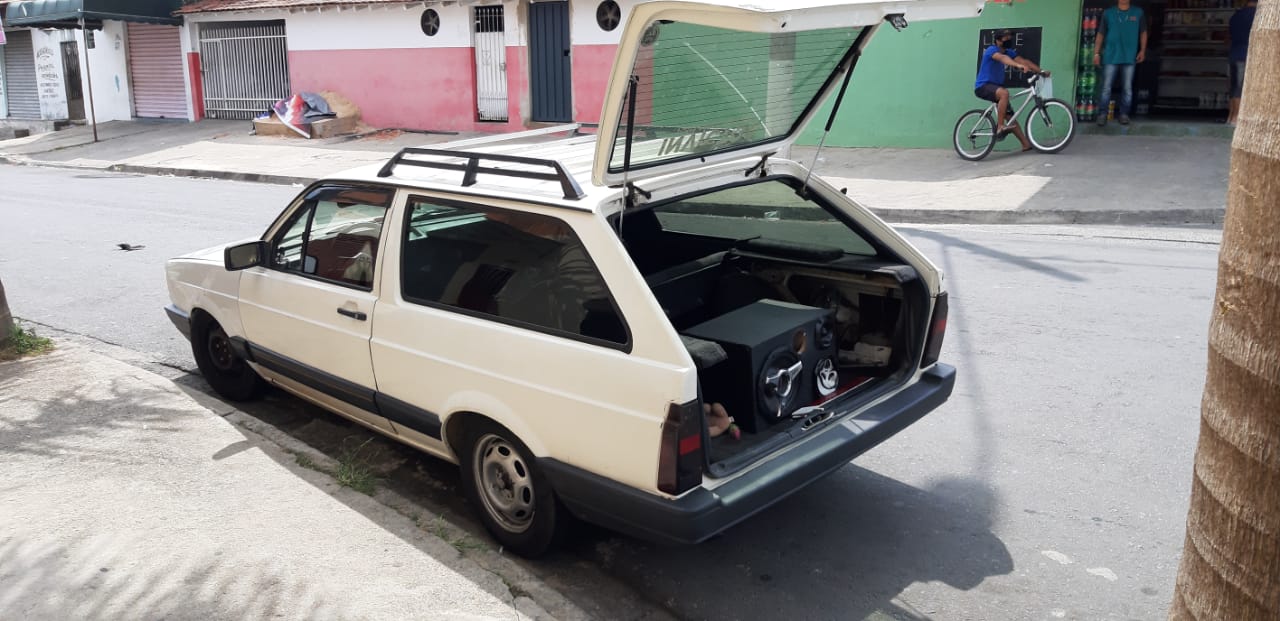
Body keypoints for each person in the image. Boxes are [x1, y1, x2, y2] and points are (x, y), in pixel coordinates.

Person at [974, 28, 1048, 153]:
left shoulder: (1009, 52)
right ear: (998, 40)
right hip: (983, 86)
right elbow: (1002, 58)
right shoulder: (992, 50)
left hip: (996, 87)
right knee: (1004, 93)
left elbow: (1024, 61)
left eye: (1010, 37)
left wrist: (1041, 71)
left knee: (1011, 117)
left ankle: (1025, 144)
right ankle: (1000, 127)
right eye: (1006, 37)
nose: (1009, 39)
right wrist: (1017, 65)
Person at [1094, 0, 1148, 126]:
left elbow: (1143, 32)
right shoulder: (1108, 13)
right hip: (1110, 56)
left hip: (1129, 56)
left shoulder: (1138, 13)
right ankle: (1102, 114)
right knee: (1106, 87)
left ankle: (1124, 114)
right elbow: (1101, 34)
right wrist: (1096, 53)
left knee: (1127, 88)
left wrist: (1143, 50)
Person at [1226, 0, 1258, 126]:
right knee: (1245, 89)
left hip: (1234, 55)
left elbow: (1228, 38)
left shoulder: (1235, 16)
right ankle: (1238, 118)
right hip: (1250, 56)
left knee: (1235, 87)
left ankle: (1232, 117)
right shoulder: (1259, 16)